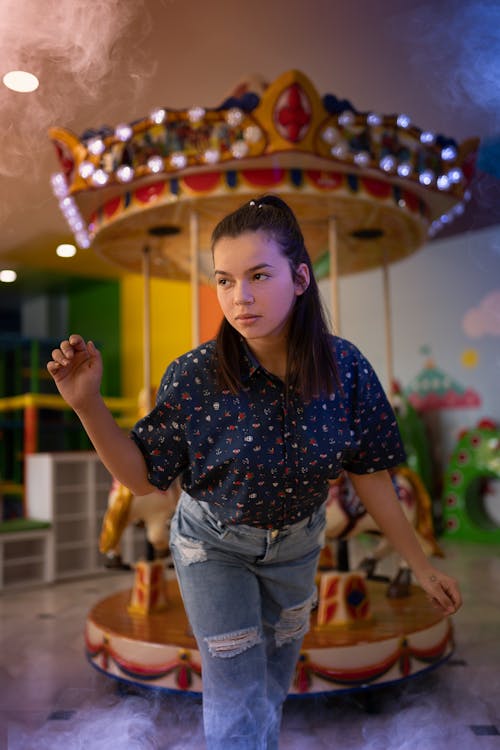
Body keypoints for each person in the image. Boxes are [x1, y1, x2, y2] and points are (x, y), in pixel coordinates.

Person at [47, 194, 462, 750]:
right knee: (236, 683)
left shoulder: (346, 369)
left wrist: (419, 562)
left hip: (298, 547)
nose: (238, 298)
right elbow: (144, 480)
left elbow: (369, 475)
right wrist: (87, 406)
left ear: (299, 278)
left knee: (271, 681)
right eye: (223, 280)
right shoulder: (194, 375)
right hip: (212, 546)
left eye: (258, 275)